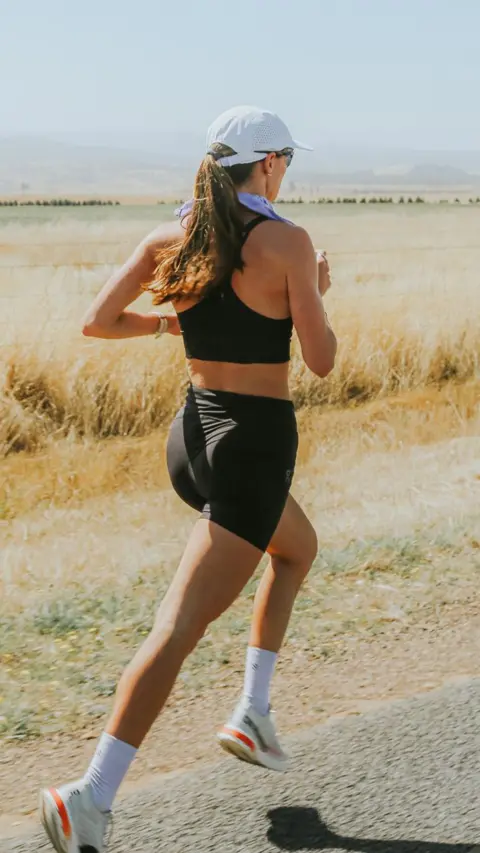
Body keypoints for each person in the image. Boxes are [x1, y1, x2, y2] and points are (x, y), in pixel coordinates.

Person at [39, 105, 337, 853]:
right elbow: (323, 358)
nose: (287, 173)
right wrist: (316, 286)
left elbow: (98, 321)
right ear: (266, 164)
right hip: (254, 447)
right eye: (287, 162)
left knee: (297, 547)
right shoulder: (288, 241)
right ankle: (91, 796)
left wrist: (168, 324)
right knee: (177, 628)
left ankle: (254, 711)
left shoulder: (173, 236)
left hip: (193, 436)